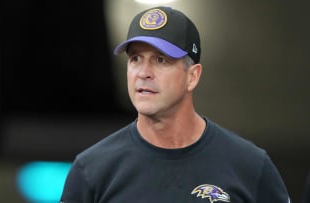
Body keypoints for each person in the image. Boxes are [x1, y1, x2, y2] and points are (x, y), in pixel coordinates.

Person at [60, 6, 291, 203]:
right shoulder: (91, 170)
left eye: (161, 60)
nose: (143, 73)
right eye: (135, 59)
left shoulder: (250, 165)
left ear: (193, 76)